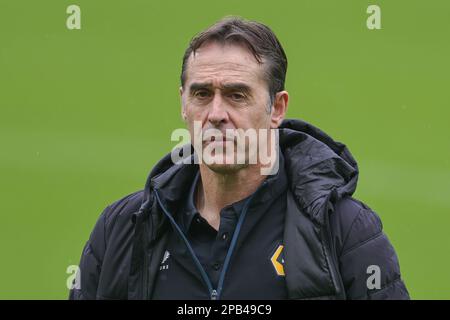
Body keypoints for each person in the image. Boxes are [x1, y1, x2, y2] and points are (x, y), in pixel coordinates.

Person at [69, 16, 409, 300]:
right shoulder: (123, 228)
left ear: (277, 108)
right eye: (202, 93)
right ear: (183, 104)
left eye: (237, 95)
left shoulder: (343, 231)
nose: (216, 113)